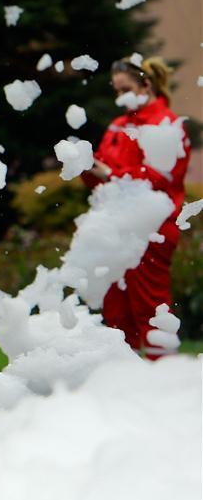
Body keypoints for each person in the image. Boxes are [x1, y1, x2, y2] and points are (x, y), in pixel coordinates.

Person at [81, 56, 191, 360]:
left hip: (152, 228)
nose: (121, 98)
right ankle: (125, 382)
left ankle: (165, 379)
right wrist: (85, 167)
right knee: (116, 309)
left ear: (146, 85)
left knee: (150, 309)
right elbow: (101, 177)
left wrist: (111, 174)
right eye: (116, 92)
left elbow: (162, 177)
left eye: (125, 89)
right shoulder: (118, 126)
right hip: (116, 226)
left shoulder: (166, 125)